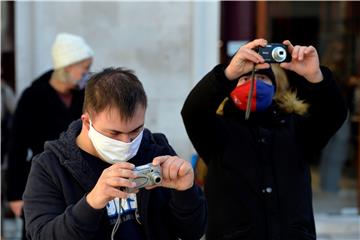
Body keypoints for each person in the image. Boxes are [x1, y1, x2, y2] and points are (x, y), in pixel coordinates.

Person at [181, 38, 347, 240]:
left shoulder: (296, 129)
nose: (253, 84)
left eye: (262, 78)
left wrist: (315, 76)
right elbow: (192, 112)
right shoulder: (217, 130)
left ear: (275, 88)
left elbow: (334, 114)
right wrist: (228, 73)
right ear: (231, 88)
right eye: (245, 79)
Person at [22, 67, 207, 240]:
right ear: (87, 122)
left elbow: (193, 231)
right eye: (114, 133)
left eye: (136, 130)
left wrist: (186, 192)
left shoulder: (156, 149)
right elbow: (41, 235)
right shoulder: (49, 167)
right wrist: (92, 203)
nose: (126, 142)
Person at [5, 32, 94, 239]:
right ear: (68, 67)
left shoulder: (85, 95)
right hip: (43, 180)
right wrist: (15, 195)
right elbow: (16, 147)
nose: (88, 74)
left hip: (79, 180)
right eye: (85, 68)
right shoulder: (33, 97)